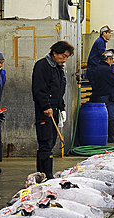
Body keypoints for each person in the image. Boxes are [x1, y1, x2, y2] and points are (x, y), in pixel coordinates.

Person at [32, 41, 74, 179]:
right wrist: (46, 106)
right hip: (45, 111)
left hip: (54, 110)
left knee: (51, 142)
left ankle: (44, 173)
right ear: (54, 53)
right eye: (63, 56)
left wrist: (62, 108)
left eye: (67, 57)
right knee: (45, 142)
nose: (65, 59)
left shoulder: (58, 67)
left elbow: (58, 90)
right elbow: (39, 90)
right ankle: (45, 174)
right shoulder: (42, 65)